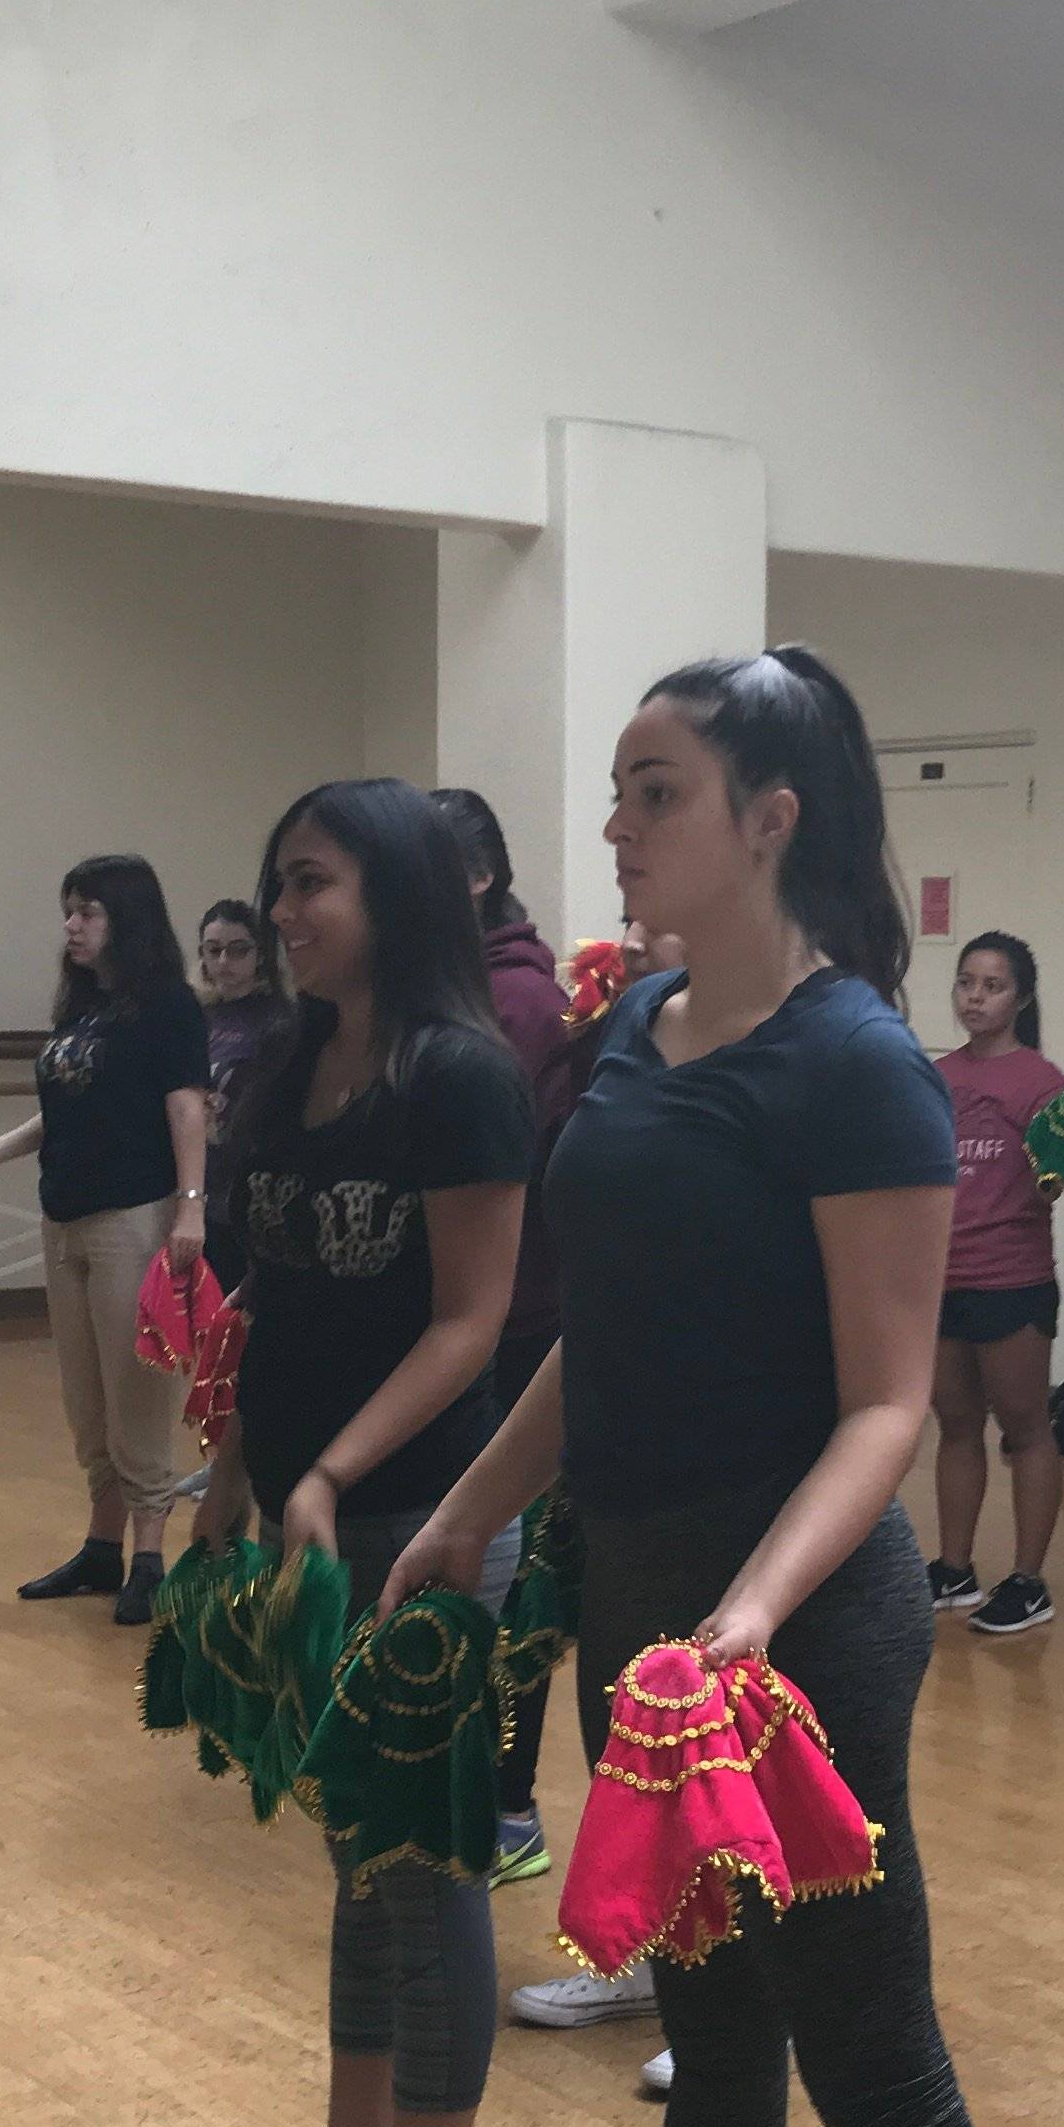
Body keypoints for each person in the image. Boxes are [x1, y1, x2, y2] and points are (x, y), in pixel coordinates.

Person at [396, 646, 990, 2127]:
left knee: (877, 2062)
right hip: (645, 1615)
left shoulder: (856, 1069)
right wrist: (473, 1510)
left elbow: (893, 1399)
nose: (621, 823)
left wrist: (750, 1609)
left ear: (773, 819)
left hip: (794, 1642)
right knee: (709, 2030)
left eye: (657, 789)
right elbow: (604, 1333)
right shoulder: (639, 1032)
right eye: (622, 789)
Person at [174, 780, 532, 2127]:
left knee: (429, 1865)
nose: (285, 912)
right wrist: (241, 1476)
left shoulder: (460, 1077)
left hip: (430, 1520)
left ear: (393, 893)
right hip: (312, 1516)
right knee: (358, 1869)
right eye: (277, 882)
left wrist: (330, 1475)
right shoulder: (287, 1068)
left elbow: (475, 1321)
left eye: (311, 882)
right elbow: (273, 1299)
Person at [506, 914, 686, 2073]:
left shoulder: (831, 1042)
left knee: (710, 1734)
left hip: (734, 1460)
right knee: (619, 1716)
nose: (625, 926)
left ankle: (731, 2001)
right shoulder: (628, 1023)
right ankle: (652, 1955)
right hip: (614, 1442)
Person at [0, 857, 210, 1629]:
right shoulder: (83, 1010)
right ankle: (101, 1545)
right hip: (64, 1216)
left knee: (138, 1390)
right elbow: (65, 1113)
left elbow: (187, 1110)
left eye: (87, 912)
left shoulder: (167, 1006)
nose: (71, 925)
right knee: (84, 1395)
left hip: (135, 1216)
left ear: (126, 920)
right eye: (69, 910)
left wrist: (190, 1209)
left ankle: (149, 1554)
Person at [433, 785, 577, 1885]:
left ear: (479, 876)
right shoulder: (447, 986)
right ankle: (444, 1768)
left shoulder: (519, 1001)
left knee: (508, 1558)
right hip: (458, 1315)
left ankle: (510, 1797)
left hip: (524, 1320)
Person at [927, 930, 1064, 1640]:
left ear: (1020, 997)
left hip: (1012, 1279)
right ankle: (954, 1568)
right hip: (938, 1280)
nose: (976, 997)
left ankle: (1028, 1581)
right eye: (966, 983)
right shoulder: (934, 1076)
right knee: (956, 1426)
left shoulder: (1044, 1085)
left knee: (1024, 1430)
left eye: (992, 985)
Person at [194, 893, 287, 1291]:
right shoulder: (193, 1015)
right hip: (195, 1176)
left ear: (260, 954)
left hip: (246, 1182)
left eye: (237, 950)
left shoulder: (280, 1018)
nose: (224, 963)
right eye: (213, 951)